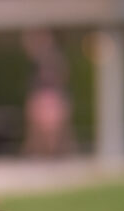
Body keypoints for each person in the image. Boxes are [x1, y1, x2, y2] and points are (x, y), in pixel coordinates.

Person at [21, 29, 73, 157]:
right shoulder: (37, 61)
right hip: (43, 98)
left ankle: (55, 155)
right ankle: (39, 154)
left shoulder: (55, 58)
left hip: (51, 98)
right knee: (37, 132)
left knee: (56, 133)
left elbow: (64, 76)